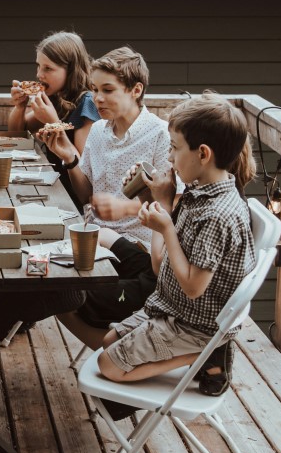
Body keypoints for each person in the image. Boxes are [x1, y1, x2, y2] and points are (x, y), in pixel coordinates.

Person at [96, 92, 257, 401]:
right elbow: (160, 265)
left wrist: (167, 226)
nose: (169, 157)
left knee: (108, 366)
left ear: (204, 154)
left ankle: (209, 354)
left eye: (174, 148)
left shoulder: (217, 215)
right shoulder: (199, 193)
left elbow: (194, 287)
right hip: (170, 307)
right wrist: (156, 201)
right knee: (107, 341)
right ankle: (203, 354)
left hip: (194, 325)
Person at [37, 47, 175, 348]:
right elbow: (86, 193)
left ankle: (111, 353)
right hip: (95, 239)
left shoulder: (162, 136)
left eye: (108, 90)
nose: (97, 99)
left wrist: (125, 207)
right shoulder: (98, 131)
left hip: (137, 253)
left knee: (55, 290)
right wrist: (69, 157)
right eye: (95, 90)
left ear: (136, 90)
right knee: (34, 263)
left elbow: (172, 204)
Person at [8, 31, 99, 207]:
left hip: (74, 201)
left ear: (71, 69)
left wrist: (54, 122)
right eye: (38, 66)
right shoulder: (57, 98)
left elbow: (84, 170)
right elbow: (18, 133)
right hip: (53, 188)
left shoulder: (87, 104)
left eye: (48, 68)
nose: (39, 75)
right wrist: (20, 106)